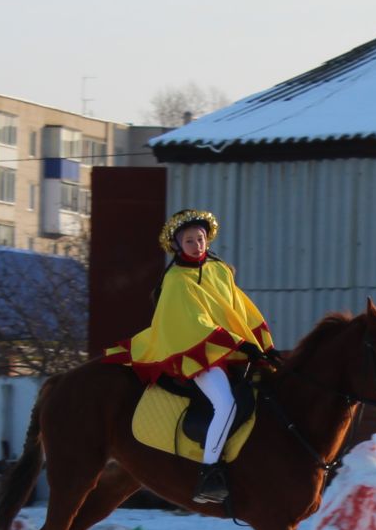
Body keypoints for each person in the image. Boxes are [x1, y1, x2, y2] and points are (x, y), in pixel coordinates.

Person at [106, 208, 273, 504]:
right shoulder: (175, 280)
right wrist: (237, 344)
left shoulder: (219, 270)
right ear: (177, 246)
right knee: (225, 403)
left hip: (229, 349)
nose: (197, 246)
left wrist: (261, 344)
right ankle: (209, 474)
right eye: (189, 241)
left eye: (200, 239)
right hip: (193, 352)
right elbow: (193, 325)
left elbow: (241, 309)